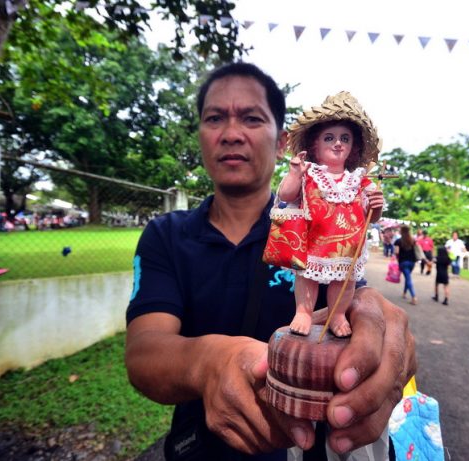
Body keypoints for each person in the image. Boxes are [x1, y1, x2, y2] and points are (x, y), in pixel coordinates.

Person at [124, 62, 417, 461]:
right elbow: (144, 354)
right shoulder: (166, 236)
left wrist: (379, 329)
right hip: (204, 447)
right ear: (200, 135)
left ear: (281, 142)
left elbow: (353, 290)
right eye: (214, 118)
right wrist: (212, 361)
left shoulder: (309, 221)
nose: (231, 133)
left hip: (308, 442)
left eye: (251, 117)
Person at [275, 91, 384, 337]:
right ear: (315, 144)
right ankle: (303, 312)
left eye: (344, 138)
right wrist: (294, 174)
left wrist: (376, 207)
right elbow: (286, 196)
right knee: (306, 277)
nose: (338, 143)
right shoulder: (310, 173)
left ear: (353, 147)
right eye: (329, 138)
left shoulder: (359, 180)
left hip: (348, 245)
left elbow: (371, 218)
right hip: (314, 240)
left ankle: (337, 315)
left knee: (344, 282)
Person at [394, 226, 426, 305]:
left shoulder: (398, 241)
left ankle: (414, 296)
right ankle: (404, 293)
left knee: (408, 278)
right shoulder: (413, 240)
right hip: (412, 263)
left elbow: (396, 252)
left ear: (402, 231)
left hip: (403, 262)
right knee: (407, 277)